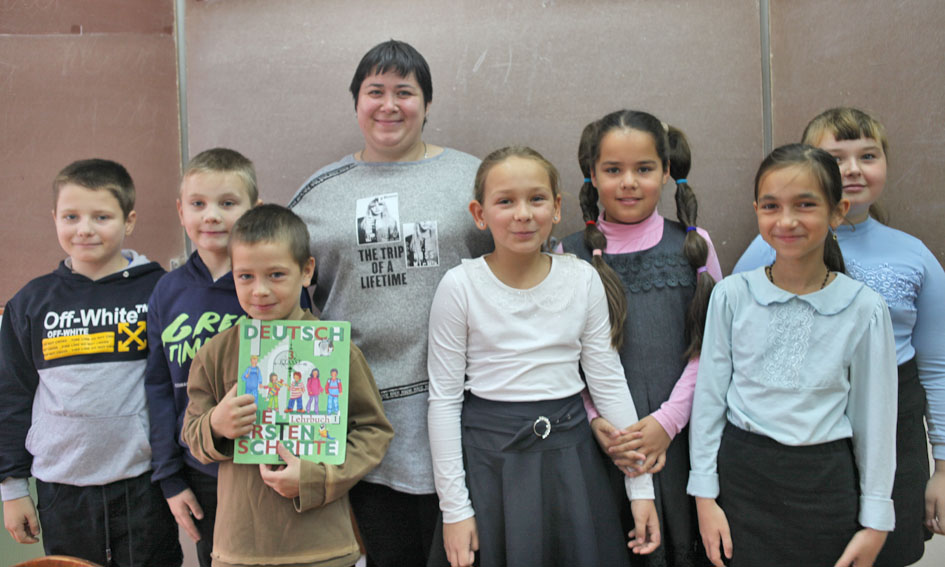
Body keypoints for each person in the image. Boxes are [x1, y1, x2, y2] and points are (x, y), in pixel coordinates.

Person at [288, 39, 491, 566]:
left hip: (469, 413)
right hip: (362, 426)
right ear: (356, 101)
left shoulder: (474, 180)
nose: (389, 105)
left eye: (405, 92)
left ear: (427, 102)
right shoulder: (316, 196)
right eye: (375, 91)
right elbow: (280, 301)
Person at [427, 146, 660, 567]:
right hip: (490, 465)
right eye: (505, 201)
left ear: (556, 207)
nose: (523, 214)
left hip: (571, 461)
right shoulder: (460, 286)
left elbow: (607, 382)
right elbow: (443, 400)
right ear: (480, 214)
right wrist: (455, 510)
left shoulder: (581, 279)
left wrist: (640, 489)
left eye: (536, 199)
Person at [733, 107, 945, 566]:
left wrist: (943, 468)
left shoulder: (914, 256)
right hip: (801, 434)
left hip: (896, 424)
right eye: (835, 158)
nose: (852, 170)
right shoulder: (767, 249)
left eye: (868, 156)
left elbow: (937, 367)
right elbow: (737, 351)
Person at [690, 143, 898, 567]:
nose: (786, 221)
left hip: (824, 485)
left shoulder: (864, 308)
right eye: (771, 206)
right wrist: (704, 497)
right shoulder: (732, 296)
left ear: (837, 211)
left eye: (805, 205)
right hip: (742, 480)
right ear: (757, 211)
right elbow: (709, 401)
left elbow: (874, 420)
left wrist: (876, 521)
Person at [182, 204, 393, 567]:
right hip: (239, 551)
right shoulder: (216, 353)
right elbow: (191, 434)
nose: (260, 290)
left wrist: (316, 478)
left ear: (306, 270)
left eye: (276, 274)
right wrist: (216, 425)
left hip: (322, 548)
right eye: (245, 276)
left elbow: (373, 431)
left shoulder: (336, 350)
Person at [558, 110, 721, 566]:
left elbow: (714, 350)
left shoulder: (694, 246)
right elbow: (562, 357)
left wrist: (667, 423)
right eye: (613, 170)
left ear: (666, 171)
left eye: (644, 169)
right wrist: (596, 422)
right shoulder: (567, 255)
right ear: (592, 174)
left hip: (683, 442)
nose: (628, 182)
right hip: (607, 449)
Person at [0, 159, 181, 566]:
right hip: (61, 489)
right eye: (71, 217)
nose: (84, 229)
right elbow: (10, 396)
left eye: (101, 217)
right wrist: (12, 490)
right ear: (54, 218)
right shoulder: (31, 303)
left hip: (143, 483)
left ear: (129, 220)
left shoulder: (160, 291)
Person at [145, 147, 261, 566]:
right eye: (198, 204)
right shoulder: (167, 290)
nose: (211, 216)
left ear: (254, 211)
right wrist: (170, 477)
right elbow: (159, 389)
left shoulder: (270, 286)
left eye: (227, 204)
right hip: (201, 471)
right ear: (181, 211)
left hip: (268, 466)